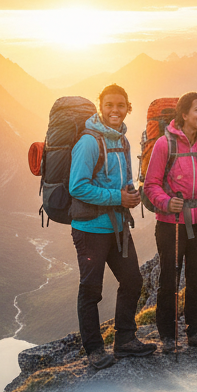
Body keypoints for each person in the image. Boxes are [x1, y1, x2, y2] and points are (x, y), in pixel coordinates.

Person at [69, 84, 156, 370]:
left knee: (132, 280)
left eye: (120, 105)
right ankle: (94, 350)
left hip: (117, 227)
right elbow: (77, 186)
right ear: (100, 107)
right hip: (91, 228)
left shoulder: (122, 141)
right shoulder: (89, 142)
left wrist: (129, 194)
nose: (115, 110)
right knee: (91, 290)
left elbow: (123, 180)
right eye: (109, 105)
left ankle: (125, 340)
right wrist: (117, 197)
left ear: (127, 107)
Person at [143, 91, 197, 353]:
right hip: (171, 223)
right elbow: (151, 185)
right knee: (170, 278)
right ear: (184, 115)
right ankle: (168, 335)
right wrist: (166, 202)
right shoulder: (164, 145)